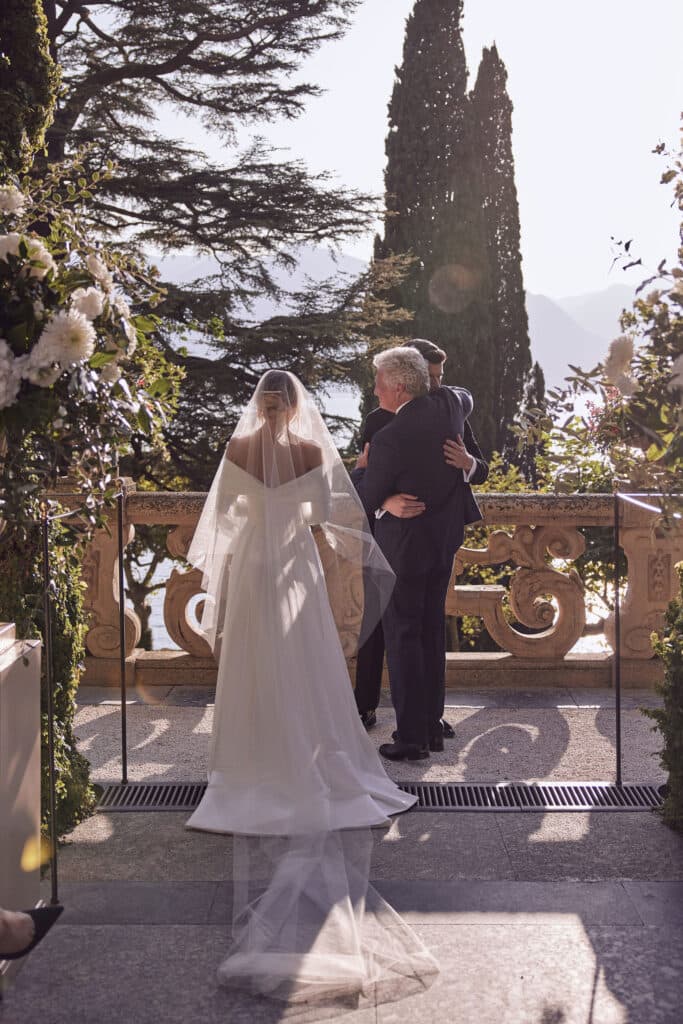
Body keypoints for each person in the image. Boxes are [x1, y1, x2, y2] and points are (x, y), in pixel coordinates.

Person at [183, 370, 438, 1003]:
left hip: (253, 566)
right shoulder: (309, 450)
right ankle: (310, 749)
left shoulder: (238, 447)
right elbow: (326, 515)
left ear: (258, 405)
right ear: (297, 407)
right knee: (303, 661)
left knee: (252, 660)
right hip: (294, 564)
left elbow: (224, 513)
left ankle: (251, 754)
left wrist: (258, 513)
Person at [352, 347, 489, 761]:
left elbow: (363, 496)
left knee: (404, 637)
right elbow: (465, 394)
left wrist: (363, 472)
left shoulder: (390, 439)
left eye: (379, 383)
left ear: (398, 387)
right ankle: (430, 727)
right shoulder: (450, 405)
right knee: (430, 632)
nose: (375, 391)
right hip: (442, 543)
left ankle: (411, 739)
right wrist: (388, 499)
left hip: (404, 549)